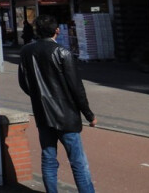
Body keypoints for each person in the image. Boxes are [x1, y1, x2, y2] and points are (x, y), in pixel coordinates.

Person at [18, 15, 97, 193]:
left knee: (48, 158)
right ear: (57, 30)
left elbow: (24, 83)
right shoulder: (63, 52)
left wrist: (38, 97)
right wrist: (89, 115)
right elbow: (77, 88)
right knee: (78, 161)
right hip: (66, 116)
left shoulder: (26, 51)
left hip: (42, 114)